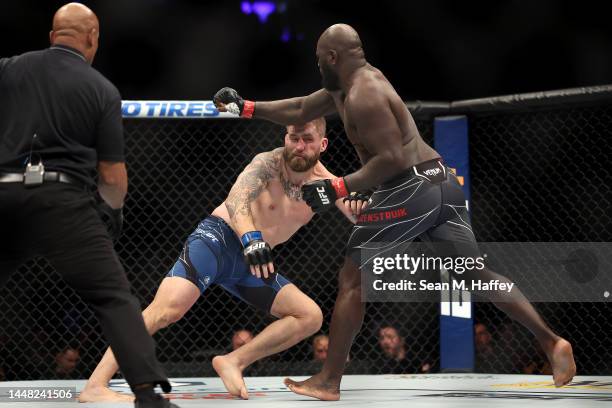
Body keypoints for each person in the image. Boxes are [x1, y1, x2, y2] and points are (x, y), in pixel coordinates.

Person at [213, 23, 576, 400]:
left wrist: (338, 186)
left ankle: (328, 381)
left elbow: (393, 159)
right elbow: (302, 107)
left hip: (410, 188)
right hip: (440, 182)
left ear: (333, 58)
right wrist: (247, 107)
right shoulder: (350, 84)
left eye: (320, 59)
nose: (317, 65)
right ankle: (551, 343)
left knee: (352, 279)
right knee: (473, 273)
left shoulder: (363, 95)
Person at [78, 118, 368, 402]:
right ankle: (96, 384)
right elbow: (236, 200)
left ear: (323, 143)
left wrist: (367, 204)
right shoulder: (268, 164)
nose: (300, 146)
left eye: (308, 139)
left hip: (252, 263)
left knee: (309, 316)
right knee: (166, 310)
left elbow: (360, 216)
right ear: (285, 138)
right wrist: (251, 238)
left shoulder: (329, 185)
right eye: (294, 137)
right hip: (218, 241)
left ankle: (233, 361)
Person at [0, 3, 176, 407]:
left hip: (5, 194)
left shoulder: (8, 68)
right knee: (114, 297)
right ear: (93, 38)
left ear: (52, 36)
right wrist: (112, 212)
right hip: (63, 205)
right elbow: (113, 177)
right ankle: (148, 394)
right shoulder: (101, 89)